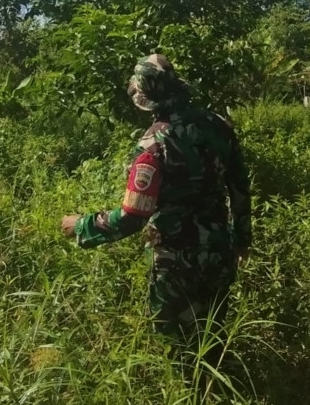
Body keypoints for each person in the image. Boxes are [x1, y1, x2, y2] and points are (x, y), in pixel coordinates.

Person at [61, 54, 251, 342]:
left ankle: (188, 388)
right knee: (212, 337)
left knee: (175, 347)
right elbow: (239, 187)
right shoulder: (219, 125)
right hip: (218, 251)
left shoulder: (152, 145)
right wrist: (241, 240)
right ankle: (213, 386)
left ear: (145, 98)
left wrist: (82, 225)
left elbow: (132, 218)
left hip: (175, 263)